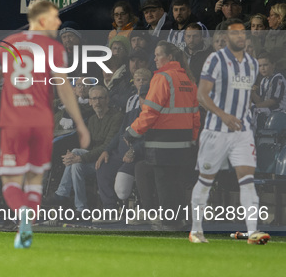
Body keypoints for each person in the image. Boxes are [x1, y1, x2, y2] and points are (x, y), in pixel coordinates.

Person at [0, 0, 90, 247]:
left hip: (13, 123)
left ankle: (20, 217)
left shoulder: (7, 45)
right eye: (54, 18)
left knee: (10, 181)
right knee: (33, 179)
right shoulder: (53, 49)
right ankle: (26, 221)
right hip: (41, 123)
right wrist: (80, 123)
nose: (59, 22)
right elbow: (64, 89)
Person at [189, 18, 270, 245]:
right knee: (206, 180)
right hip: (216, 131)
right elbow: (201, 95)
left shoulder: (252, 64)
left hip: (242, 132)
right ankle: (196, 230)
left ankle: (252, 231)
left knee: (247, 179)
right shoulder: (214, 60)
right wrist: (223, 115)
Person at [124, 41, 199, 229]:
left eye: (158, 55)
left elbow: (150, 112)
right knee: (178, 183)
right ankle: (179, 220)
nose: (154, 58)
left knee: (164, 183)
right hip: (184, 141)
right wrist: (193, 137)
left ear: (170, 57)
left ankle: (168, 222)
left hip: (162, 142)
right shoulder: (187, 80)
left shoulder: (162, 78)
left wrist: (131, 132)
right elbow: (195, 115)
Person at [47, 85, 121, 216]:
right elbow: (88, 147)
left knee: (76, 154)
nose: (97, 102)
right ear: (90, 102)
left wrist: (79, 157)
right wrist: (75, 158)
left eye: (100, 98)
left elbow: (107, 146)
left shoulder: (116, 117)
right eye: (94, 99)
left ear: (107, 100)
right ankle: (81, 208)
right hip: (95, 161)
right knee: (76, 165)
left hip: (109, 159)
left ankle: (63, 194)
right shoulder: (92, 120)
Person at [95, 84, 149, 212]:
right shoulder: (131, 114)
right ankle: (110, 209)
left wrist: (133, 151)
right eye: (142, 97)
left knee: (122, 191)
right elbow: (119, 135)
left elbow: (149, 141)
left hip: (136, 158)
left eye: (148, 97)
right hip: (119, 154)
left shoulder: (156, 117)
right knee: (102, 167)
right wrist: (106, 150)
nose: (144, 101)